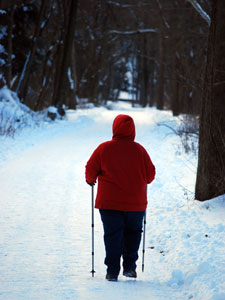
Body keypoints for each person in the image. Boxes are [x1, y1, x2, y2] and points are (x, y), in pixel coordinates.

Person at [85, 114, 155, 281]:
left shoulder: (104, 148)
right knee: (133, 234)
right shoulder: (140, 150)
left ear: (114, 128)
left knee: (112, 235)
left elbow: (90, 169)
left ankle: (112, 271)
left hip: (109, 204)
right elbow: (150, 175)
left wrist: (90, 180)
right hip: (136, 204)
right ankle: (130, 267)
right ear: (133, 130)